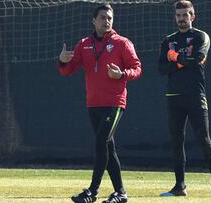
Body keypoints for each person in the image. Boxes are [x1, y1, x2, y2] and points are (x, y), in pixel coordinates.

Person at [57, 4, 141, 203]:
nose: (107, 21)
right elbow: (68, 70)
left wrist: (121, 74)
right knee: (108, 148)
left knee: (101, 142)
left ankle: (92, 192)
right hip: (93, 104)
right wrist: (62, 61)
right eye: (102, 17)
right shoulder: (84, 44)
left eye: (109, 17)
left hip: (115, 102)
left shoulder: (122, 43)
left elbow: (137, 68)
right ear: (94, 20)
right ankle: (120, 192)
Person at [157, 0, 211, 197]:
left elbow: (197, 60)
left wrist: (175, 58)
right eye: (178, 16)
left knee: (204, 138)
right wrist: (179, 61)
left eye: (185, 15)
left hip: (195, 95)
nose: (182, 19)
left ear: (192, 16)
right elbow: (161, 68)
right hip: (173, 96)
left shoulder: (201, 37)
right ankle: (179, 187)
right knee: (177, 141)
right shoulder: (168, 40)